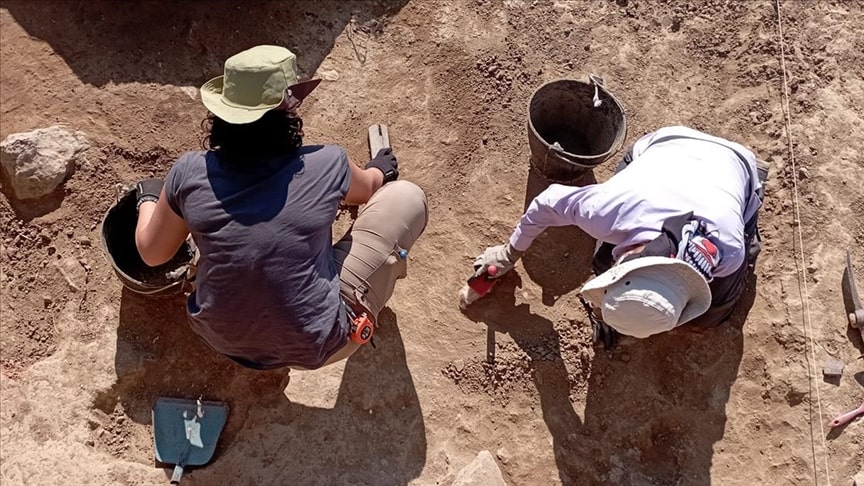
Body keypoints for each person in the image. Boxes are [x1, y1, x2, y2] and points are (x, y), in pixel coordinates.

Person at [133, 45, 428, 370]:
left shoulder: (188, 173)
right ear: (289, 108)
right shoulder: (327, 163)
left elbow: (152, 254)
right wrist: (378, 169)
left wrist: (149, 199)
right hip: (320, 344)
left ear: (221, 112)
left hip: (223, 339)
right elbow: (368, 189)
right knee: (406, 197)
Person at [471, 126, 766, 344]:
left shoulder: (727, 251)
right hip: (666, 144)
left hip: (738, 168)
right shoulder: (610, 208)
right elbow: (546, 203)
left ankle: (756, 186)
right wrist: (508, 254)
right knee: (600, 261)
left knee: (719, 306)